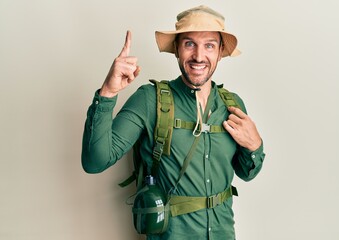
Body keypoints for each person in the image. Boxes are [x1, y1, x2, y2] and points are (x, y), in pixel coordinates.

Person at [82, 5, 265, 240]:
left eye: (209, 45)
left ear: (220, 52)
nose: (199, 56)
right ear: (177, 49)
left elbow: (247, 173)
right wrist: (107, 93)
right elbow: (94, 161)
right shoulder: (150, 99)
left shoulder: (232, 105)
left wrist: (255, 146)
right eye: (189, 44)